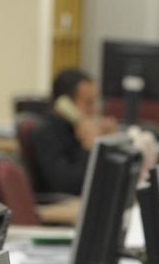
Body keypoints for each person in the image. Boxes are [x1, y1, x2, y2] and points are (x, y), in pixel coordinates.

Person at [30, 68, 115, 196]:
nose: (94, 110)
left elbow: (105, 179)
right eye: (88, 103)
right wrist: (88, 147)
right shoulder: (46, 133)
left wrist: (108, 144)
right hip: (60, 208)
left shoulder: (75, 128)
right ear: (65, 104)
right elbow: (70, 188)